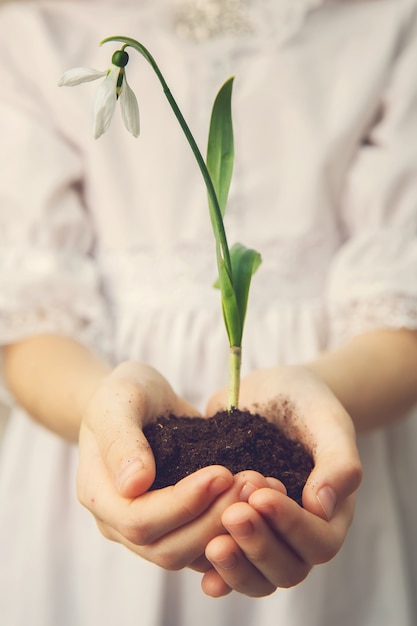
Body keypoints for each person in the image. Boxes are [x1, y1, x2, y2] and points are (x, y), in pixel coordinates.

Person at [0, 0, 416, 624]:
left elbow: (401, 313)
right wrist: (106, 420)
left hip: (339, 431)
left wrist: (316, 392)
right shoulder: (36, 22)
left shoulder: (390, 18)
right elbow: (31, 317)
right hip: (90, 442)